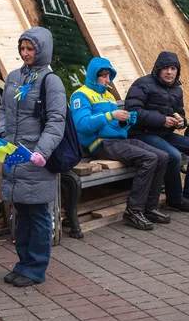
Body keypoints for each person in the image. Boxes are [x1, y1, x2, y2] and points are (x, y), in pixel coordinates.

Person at [0, 26, 66, 287]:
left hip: (37, 157)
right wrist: (2, 133)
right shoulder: (14, 77)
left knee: (37, 213)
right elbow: (4, 109)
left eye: (30, 49)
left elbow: (57, 120)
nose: (25, 53)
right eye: (22, 48)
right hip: (14, 155)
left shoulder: (51, 81)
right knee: (21, 212)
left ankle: (35, 268)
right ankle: (22, 263)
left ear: (41, 50)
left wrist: (42, 151)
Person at [71, 57, 170, 231]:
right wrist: (111, 116)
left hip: (118, 140)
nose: (107, 79)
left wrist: (126, 122)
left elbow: (114, 124)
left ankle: (150, 207)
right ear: (94, 75)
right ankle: (134, 210)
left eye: (109, 75)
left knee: (163, 156)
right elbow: (82, 124)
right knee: (149, 158)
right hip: (101, 144)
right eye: (103, 75)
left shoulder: (108, 96)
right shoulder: (81, 95)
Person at [125, 51, 189, 211]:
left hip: (164, 134)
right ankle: (175, 201)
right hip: (141, 133)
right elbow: (133, 111)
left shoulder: (176, 89)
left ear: (177, 71)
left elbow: (180, 113)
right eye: (165, 68)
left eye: (173, 68)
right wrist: (162, 120)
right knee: (173, 155)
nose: (169, 72)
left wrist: (181, 122)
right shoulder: (142, 84)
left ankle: (187, 195)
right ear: (158, 69)